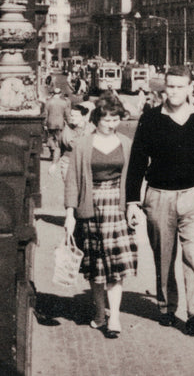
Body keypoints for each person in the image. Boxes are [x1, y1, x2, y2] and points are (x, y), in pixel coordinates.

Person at [126, 67, 194, 337]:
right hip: (159, 196)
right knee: (164, 256)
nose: (175, 92)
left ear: (191, 88)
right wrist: (132, 201)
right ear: (163, 89)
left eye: (180, 86)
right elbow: (138, 161)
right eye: (170, 87)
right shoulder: (151, 118)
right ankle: (166, 308)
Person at [64, 94, 137, 340]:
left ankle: (114, 316)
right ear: (97, 119)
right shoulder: (83, 144)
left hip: (117, 207)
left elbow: (134, 179)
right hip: (90, 207)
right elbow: (73, 180)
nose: (110, 123)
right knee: (96, 266)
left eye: (115, 118)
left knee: (115, 266)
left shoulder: (126, 143)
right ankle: (99, 312)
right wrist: (69, 213)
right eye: (105, 118)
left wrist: (133, 207)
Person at [44, 87, 71, 160]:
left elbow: (45, 114)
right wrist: (69, 123)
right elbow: (67, 114)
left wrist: (44, 123)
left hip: (50, 122)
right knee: (59, 138)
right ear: (60, 94)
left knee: (50, 138)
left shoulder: (48, 102)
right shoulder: (64, 102)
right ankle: (59, 153)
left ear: (53, 93)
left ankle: (52, 152)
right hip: (60, 123)